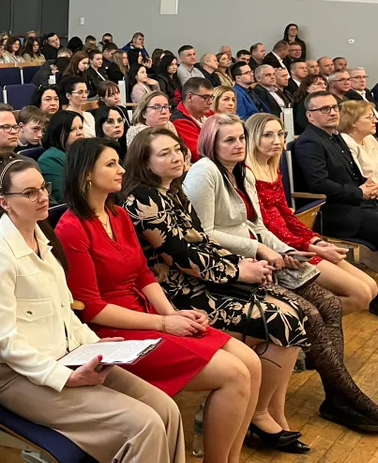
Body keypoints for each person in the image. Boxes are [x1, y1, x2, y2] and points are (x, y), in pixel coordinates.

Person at [186, 113, 378, 434]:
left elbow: (257, 225)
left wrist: (288, 250)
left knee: (327, 306)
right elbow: (204, 233)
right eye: (228, 140)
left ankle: (339, 399)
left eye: (240, 138)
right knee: (315, 312)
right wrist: (269, 250)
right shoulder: (205, 172)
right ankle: (345, 400)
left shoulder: (239, 172)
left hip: (266, 258)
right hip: (229, 269)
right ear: (209, 142)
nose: (238, 145)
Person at [0, 153, 186, 462]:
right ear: (5, 203)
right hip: (19, 377)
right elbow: (3, 341)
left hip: (69, 356)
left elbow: (64, 312)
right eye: (30, 193)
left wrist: (96, 346)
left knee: (166, 408)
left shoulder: (41, 238)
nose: (44, 197)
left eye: (43, 187)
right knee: (144, 425)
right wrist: (63, 376)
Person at [57, 139, 258, 463]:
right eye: (110, 164)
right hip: (112, 330)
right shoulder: (71, 228)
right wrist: (164, 323)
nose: (121, 169)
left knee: (251, 362)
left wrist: (174, 313)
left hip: (146, 311)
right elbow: (91, 307)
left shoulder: (118, 215)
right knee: (234, 374)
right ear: (86, 176)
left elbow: (142, 274)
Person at [121, 128, 310, 452]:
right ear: (145, 162)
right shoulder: (143, 197)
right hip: (173, 292)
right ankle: (258, 414)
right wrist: (239, 270)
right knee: (280, 319)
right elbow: (179, 255)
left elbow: (203, 241)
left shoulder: (172, 189)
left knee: (294, 310)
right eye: (164, 153)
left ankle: (263, 412)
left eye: (177, 150)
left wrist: (246, 265)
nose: (177, 157)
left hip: (200, 281)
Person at [247, 112, 378, 314]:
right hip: (279, 246)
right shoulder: (247, 172)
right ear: (253, 137)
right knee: (360, 294)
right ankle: (309, 329)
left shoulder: (271, 166)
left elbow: (285, 213)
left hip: (295, 239)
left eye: (281, 134)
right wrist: (310, 247)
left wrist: (315, 240)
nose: (277, 141)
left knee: (371, 287)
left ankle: (313, 328)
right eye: (268, 135)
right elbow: (264, 224)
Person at [340, 100, 378, 208]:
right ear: (353, 122)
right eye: (369, 117)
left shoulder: (369, 138)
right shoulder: (346, 144)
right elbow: (362, 185)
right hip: (374, 199)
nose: (375, 120)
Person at [38, 110, 83, 205]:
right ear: (58, 132)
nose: (79, 133)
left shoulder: (84, 153)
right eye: (72, 129)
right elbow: (63, 199)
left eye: (81, 128)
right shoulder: (50, 159)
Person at [169, 77, 212, 162]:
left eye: (211, 97)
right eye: (205, 97)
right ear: (189, 97)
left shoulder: (210, 113)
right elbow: (199, 154)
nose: (210, 102)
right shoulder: (180, 122)